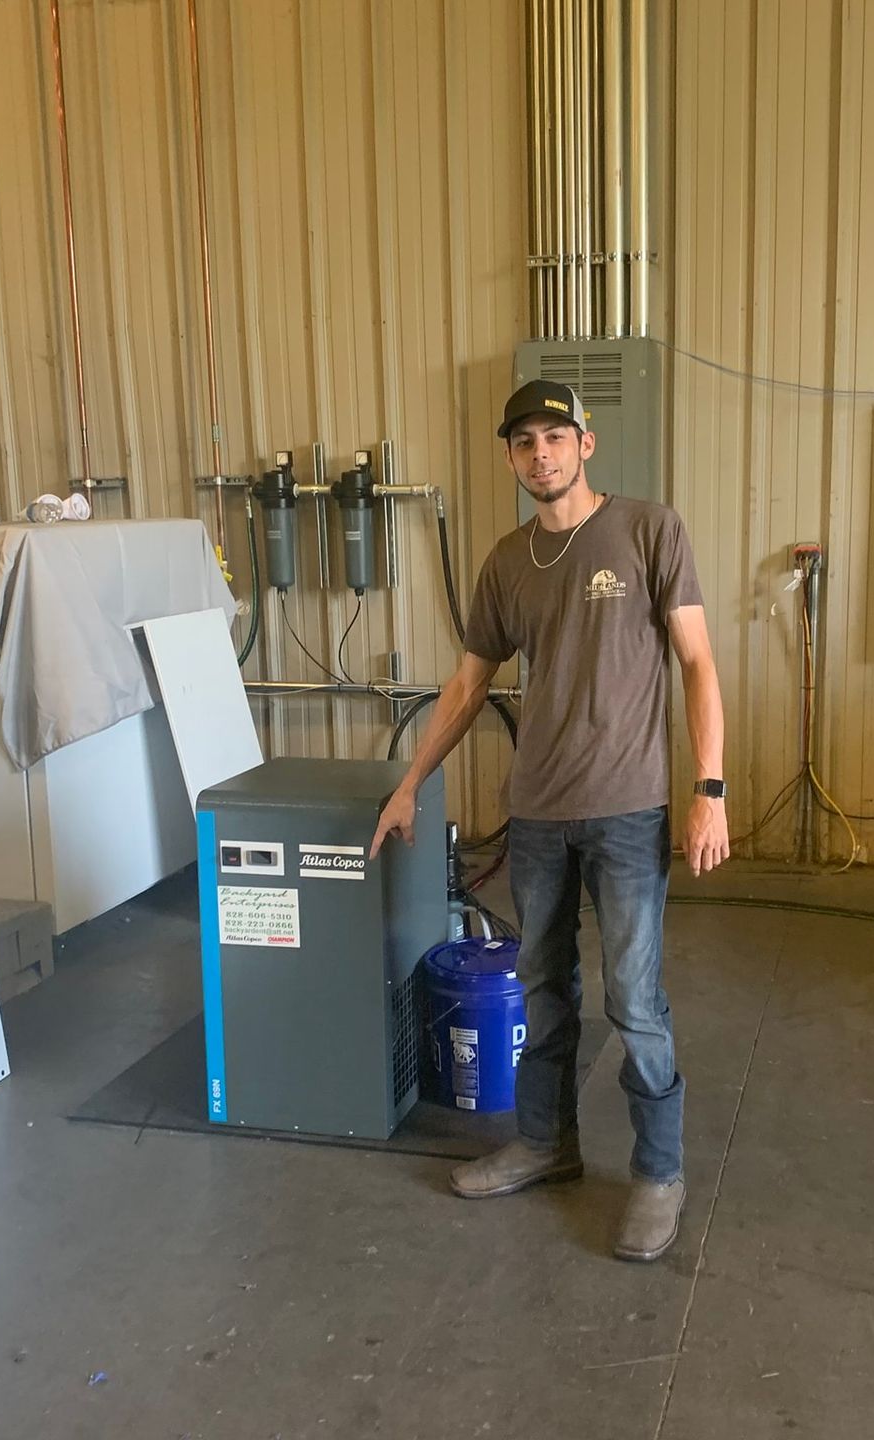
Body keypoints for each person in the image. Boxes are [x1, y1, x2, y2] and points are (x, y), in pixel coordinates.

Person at [370, 379, 729, 1262]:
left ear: (586, 444)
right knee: (543, 988)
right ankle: (545, 1143)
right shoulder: (503, 564)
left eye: (555, 438)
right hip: (537, 815)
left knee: (635, 1001)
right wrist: (410, 780)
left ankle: (659, 1172)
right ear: (510, 457)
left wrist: (710, 789)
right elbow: (468, 686)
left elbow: (697, 663)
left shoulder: (649, 530)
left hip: (627, 812)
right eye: (524, 442)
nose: (541, 454)